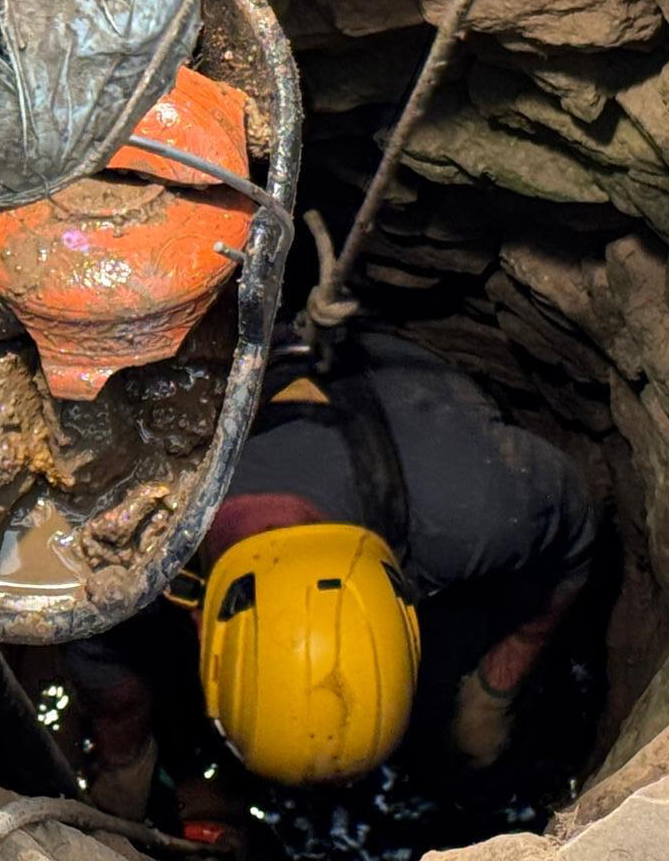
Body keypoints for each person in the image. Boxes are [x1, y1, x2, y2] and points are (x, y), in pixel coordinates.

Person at [62, 331, 601, 825]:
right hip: (204, 364)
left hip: (407, 387)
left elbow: (577, 534)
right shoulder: (125, 546)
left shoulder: (476, 509)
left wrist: (499, 682)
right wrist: (124, 756)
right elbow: (95, 644)